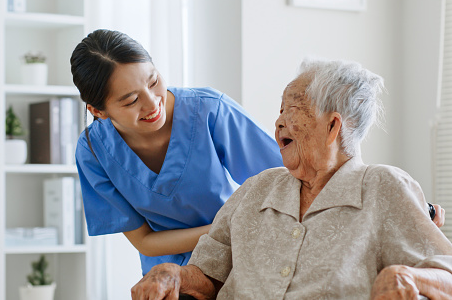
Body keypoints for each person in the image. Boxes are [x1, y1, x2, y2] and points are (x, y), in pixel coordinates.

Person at [131, 57, 452, 299]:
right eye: (280, 110)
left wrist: (409, 276)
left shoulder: (384, 188)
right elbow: (207, 276)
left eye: (292, 110)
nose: (279, 123)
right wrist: (174, 274)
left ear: (333, 126)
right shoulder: (256, 189)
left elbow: (446, 274)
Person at [69, 29, 283, 276]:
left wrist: (238, 231)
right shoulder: (93, 152)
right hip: (169, 275)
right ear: (98, 111)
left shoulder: (210, 109)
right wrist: (229, 228)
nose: (152, 103)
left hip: (239, 257)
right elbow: (145, 242)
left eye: (153, 81)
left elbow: (284, 177)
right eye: (130, 101)